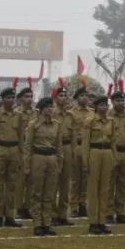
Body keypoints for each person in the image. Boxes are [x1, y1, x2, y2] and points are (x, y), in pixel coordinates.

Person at [23, 97, 63, 236]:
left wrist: (60, 163)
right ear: (41, 109)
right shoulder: (33, 125)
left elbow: (59, 145)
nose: (50, 109)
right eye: (47, 107)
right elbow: (27, 145)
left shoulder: (56, 125)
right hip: (38, 158)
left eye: (51, 106)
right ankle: (37, 224)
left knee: (49, 193)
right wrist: (27, 165)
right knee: (37, 192)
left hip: (52, 159)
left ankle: (47, 223)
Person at [0, 87, 24, 227]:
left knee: (12, 184)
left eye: (12, 97)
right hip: (0, 149)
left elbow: (21, 136)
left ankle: (9, 215)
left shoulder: (18, 115)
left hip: (14, 149)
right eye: (8, 97)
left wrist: (21, 154)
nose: (11, 100)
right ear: (2, 99)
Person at [82, 94, 115, 235]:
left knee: (105, 190)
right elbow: (85, 143)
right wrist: (85, 162)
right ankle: (93, 222)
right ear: (95, 107)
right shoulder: (89, 121)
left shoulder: (110, 121)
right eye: (101, 105)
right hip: (94, 152)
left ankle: (102, 221)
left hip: (107, 152)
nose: (104, 107)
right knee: (93, 190)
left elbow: (113, 141)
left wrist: (114, 158)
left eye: (106, 105)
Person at [51, 82, 77, 226]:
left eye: (65, 95)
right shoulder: (51, 113)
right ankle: (53, 214)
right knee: (54, 183)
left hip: (66, 148)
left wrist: (73, 151)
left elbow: (73, 135)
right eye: (61, 95)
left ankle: (62, 214)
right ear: (55, 98)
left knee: (65, 184)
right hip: (55, 149)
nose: (64, 98)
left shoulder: (70, 115)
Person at [107, 88, 125, 225]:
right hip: (113, 152)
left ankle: (120, 213)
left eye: (122, 100)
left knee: (123, 185)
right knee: (109, 184)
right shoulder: (107, 115)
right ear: (112, 102)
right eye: (117, 100)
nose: (121, 103)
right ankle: (108, 212)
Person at [69, 87, 93, 218]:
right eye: (82, 95)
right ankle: (73, 206)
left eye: (86, 95)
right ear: (76, 98)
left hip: (88, 147)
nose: (84, 97)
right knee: (75, 180)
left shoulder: (91, 113)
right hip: (76, 146)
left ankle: (82, 204)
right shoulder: (71, 113)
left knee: (85, 179)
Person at [15, 87, 38, 220]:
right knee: (20, 181)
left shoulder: (36, 113)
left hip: (33, 149)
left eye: (31, 96)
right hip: (20, 148)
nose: (29, 99)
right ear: (20, 98)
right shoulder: (16, 113)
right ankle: (19, 208)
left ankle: (27, 207)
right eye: (26, 96)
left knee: (31, 181)